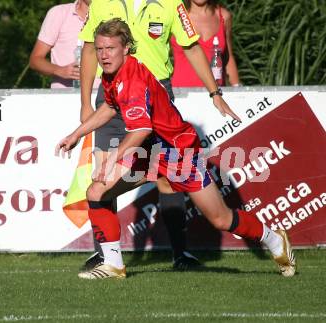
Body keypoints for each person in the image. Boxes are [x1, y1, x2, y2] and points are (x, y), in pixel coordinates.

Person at [56, 18, 296, 279]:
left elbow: (141, 130)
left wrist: (113, 158)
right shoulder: (113, 75)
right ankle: (113, 265)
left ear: (126, 48)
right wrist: (76, 134)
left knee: (221, 219)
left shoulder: (132, 81)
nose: (103, 55)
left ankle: (274, 239)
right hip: (150, 151)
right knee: (97, 191)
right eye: (100, 49)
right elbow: (110, 107)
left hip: (176, 152)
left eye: (110, 48)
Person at [78, 0, 207, 271]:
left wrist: (215, 92)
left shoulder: (172, 2)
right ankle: (106, 257)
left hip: (156, 95)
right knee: (103, 174)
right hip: (112, 94)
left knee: (167, 179)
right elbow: (90, 49)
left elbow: (191, 46)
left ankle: (180, 254)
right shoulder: (101, 2)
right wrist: (85, 102)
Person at [29, 0, 100, 88]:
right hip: (63, 98)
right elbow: (35, 60)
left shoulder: (114, 16)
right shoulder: (59, 13)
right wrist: (60, 70)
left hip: (103, 98)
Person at [170, 0, 240, 87]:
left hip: (217, 94)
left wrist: (238, 90)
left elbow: (228, 58)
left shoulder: (223, 17)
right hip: (182, 94)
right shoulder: (175, 16)